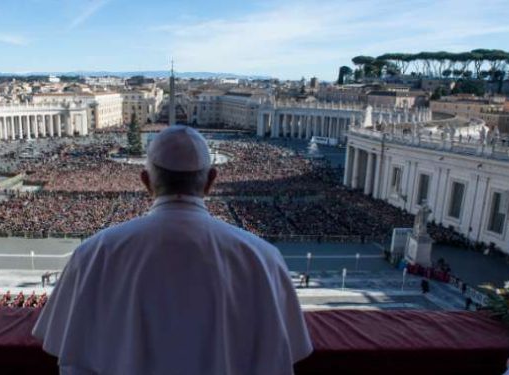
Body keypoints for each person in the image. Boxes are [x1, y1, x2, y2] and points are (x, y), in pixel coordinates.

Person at [33, 126, 313, 375]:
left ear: (145, 181)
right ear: (211, 180)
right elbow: (288, 352)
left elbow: (63, 348)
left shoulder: (94, 253)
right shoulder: (263, 257)